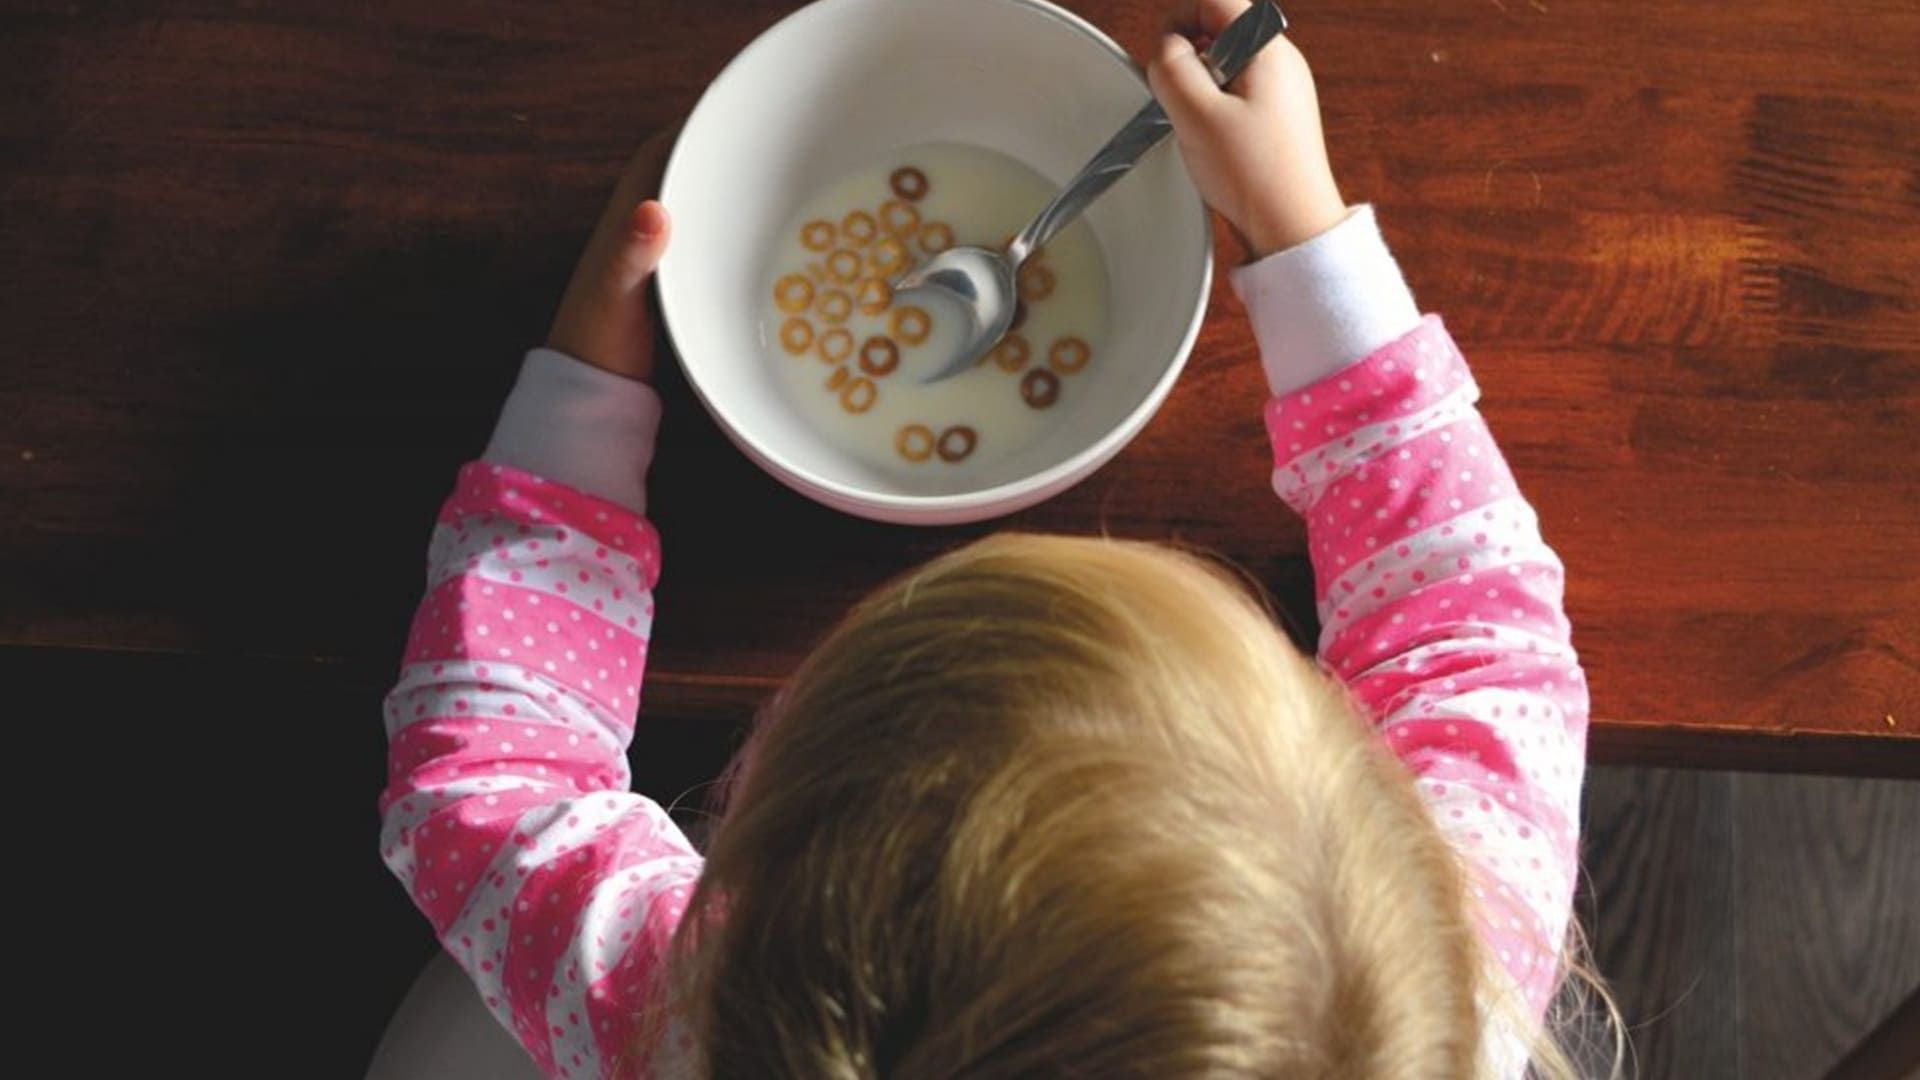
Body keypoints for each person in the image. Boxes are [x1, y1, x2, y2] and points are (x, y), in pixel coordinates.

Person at [374, 1, 1616, 1075]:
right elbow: (1474, 631)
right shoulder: (1436, 987)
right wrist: (1300, 228)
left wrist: (583, 391)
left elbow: (489, 786)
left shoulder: (684, 1009)